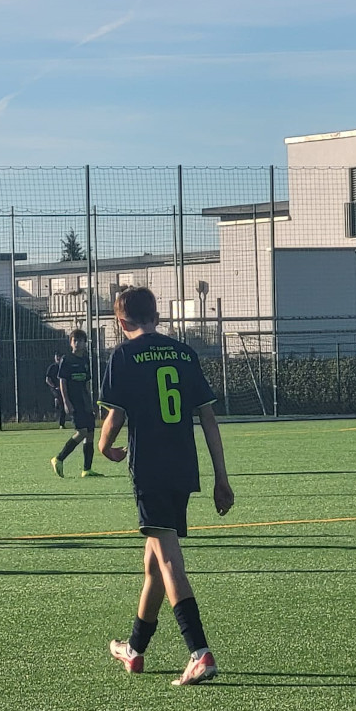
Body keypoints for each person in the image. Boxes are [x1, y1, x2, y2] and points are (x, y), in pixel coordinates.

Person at [98, 286, 234, 687]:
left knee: (170, 560)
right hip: (183, 468)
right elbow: (208, 419)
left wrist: (104, 447)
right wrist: (221, 478)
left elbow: (114, 418)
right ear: (156, 315)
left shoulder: (123, 355)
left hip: (150, 470)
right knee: (154, 564)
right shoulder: (183, 353)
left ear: (121, 322)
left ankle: (199, 652)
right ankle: (135, 650)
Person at [50, 329, 101, 478]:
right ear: (71, 343)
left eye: (81, 341)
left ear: (85, 343)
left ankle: (87, 469)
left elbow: (86, 383)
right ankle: (59, 458)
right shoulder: (67, 360)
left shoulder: (85, 360)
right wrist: (66, 402)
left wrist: (91, 403)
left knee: (90, 433)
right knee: (82, 431)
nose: (78, 343)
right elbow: (63, 382)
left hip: (84, 401)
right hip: (74, 402)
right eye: (75, 340)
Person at [44, 353, 66, 428]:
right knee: (58, 397)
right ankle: (56, 399)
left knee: (63, 405)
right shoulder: (52, 367)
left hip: (63, 388)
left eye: (59, 357)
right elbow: (47, 380)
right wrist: (55, 386)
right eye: (57, 357)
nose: (58, 358)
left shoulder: (64, 367)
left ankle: (61, 424)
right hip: (55, 388)